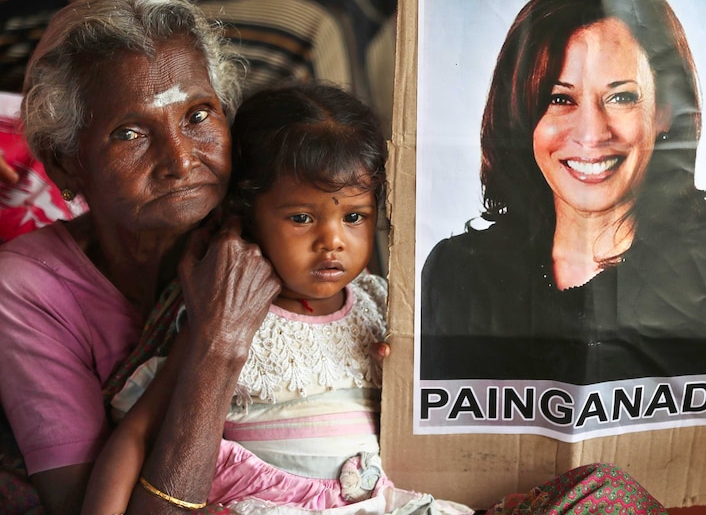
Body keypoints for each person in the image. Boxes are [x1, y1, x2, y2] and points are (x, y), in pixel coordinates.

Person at [82, 83, 669, 515]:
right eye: (301, 216)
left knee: (605, 494)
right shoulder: (226, 318)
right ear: (246, 214)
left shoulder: (378, 305)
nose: (332, 240)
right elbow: (136, 436)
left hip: (388, 505)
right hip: (276, 508)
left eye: (355, 216)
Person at [0, 0, 283, 515]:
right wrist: (214, 347)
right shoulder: (27, 288)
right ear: (64, 161)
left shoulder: (277, 235)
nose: (180, 159)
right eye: (130, 133)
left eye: (198, 115)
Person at [421, 0, 706, 386]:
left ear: (665, 111)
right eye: (559, 98)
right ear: (520, 115)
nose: (590, 134)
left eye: (621, 97)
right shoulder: (456, 274)